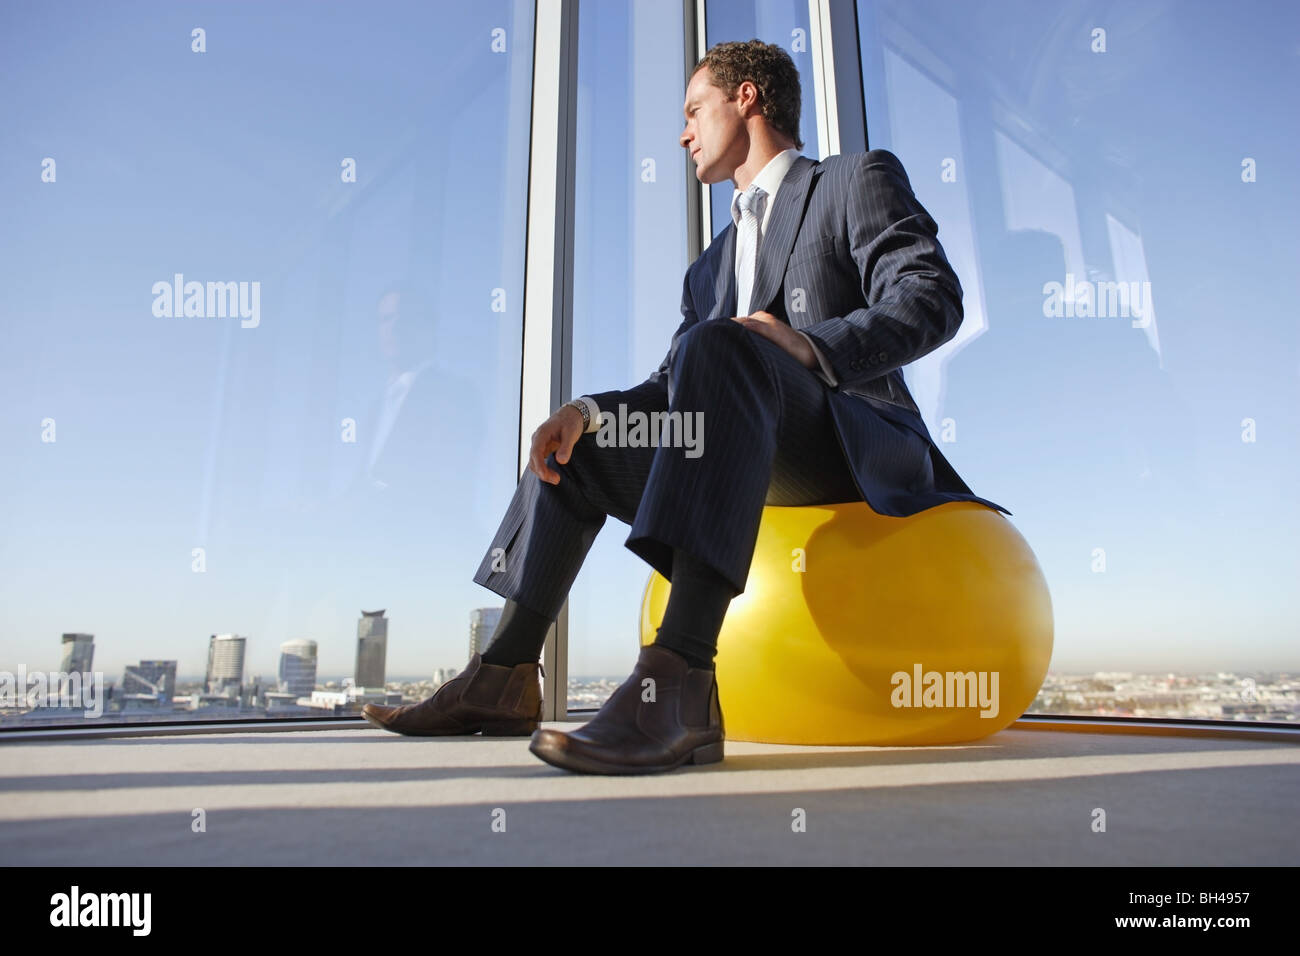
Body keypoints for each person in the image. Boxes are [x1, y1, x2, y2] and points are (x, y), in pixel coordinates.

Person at [362, 39, 1009, 774]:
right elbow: (676, 386)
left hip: (847, 443)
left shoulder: (852, 181)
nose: (681, 133)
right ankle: (501, 678)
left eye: (693, 109)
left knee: (720, 346)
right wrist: (586, 410)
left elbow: (931, 296)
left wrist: (809, 345)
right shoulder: (709, 265)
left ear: (747, 99)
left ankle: (680, 684)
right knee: (583, 445)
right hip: (735, 447)